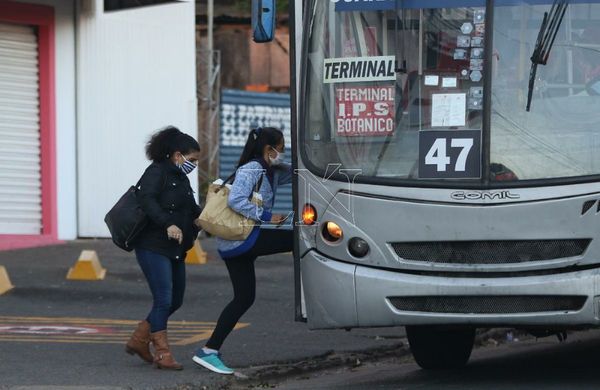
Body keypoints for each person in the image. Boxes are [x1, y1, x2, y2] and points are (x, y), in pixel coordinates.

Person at [192, 126, 293, 375]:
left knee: (244, 297)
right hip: (242, 239)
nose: (282, 152)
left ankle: (209, 350)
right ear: (269, 149)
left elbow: (299, 173)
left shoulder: (270, 170)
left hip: (236, 243)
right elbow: (236, 200)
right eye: (280, 148)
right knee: (297, 238)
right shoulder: (252, 169)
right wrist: (268, 216)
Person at [125, 126, 202, 370]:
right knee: (163, 299)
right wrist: (168, 223)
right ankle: (163, 353)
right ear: (177, 155)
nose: (194, 164)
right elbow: (146, 200)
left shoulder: (182, 178)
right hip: (152, 245)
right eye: (192, 159)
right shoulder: (156, 172)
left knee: (175, 300)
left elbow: (192, 209)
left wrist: (210, 217)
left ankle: (139, 339)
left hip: (176, 247)